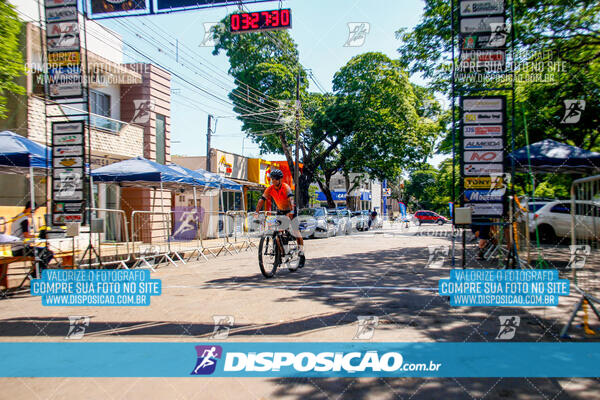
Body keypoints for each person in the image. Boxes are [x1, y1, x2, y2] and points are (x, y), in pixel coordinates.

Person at [254, 169, 304, 256]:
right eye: (272, 179)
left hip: (290, 210)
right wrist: (256, 212)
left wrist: (291, 212)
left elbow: (291, 200)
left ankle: (301, 253)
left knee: (296, 232)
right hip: (280, 211)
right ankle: (282, 252)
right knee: (277, 233)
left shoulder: (286, 187)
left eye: (276, 179)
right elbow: (261, 200)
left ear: (280, 179)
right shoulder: (270, 189)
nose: (274, 180)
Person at [10, 201, 53, 276]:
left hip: (15, 249)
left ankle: (36, 273)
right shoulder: (24, 220)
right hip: (20, 249)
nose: (34, 213)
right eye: (35, 211)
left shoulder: (18, 217)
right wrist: (37, 236)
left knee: (42, 252)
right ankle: (36, 274)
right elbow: (26, 235)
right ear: (30, 209)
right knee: (48, 253)